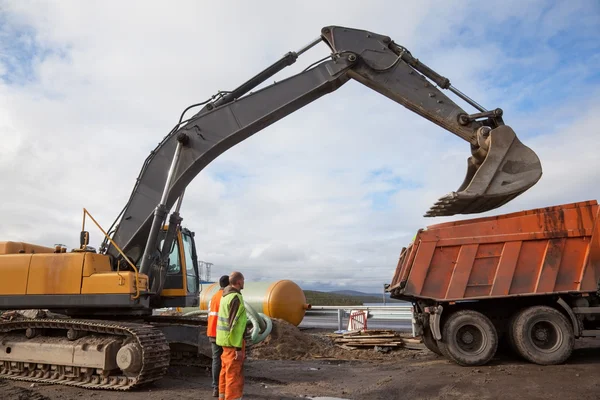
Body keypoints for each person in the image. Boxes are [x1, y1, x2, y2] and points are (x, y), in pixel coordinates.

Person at [216, 271, 247, 400]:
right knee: (233, 375)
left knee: (225, 372)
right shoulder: (235, 297)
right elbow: (234, 325)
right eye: (243, 280)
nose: (244, 283)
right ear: (239, 282)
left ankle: (222, 396)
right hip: (233, 343)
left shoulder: (225, 296)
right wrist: (238, 348)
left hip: (225, 341)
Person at [207, 275, 230, 398]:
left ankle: (216, 388)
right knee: (227, 360)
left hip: (213, 332)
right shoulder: (228, 297)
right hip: (224, 333)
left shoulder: (213, 297)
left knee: (216, 360)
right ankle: (225, 388)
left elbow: (209, 315)